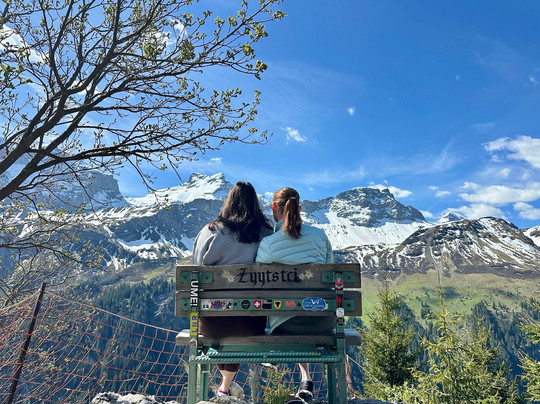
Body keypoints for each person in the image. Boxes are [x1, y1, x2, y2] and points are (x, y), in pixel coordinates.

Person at [192, 181, 273, 400]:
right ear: (255, 204)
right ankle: (225, 387)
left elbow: (195, 271)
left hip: (212, 324)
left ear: (228, 202)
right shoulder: (266, 233)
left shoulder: (210, 231)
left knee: (224, 324)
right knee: (239, 321)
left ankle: (224, 387)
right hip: (251, 323)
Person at [256, 187, 333, 403]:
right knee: (305, 305)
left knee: (290, 310)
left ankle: (300, 374)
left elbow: (258, 284)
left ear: (274, 207)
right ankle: (307, 379)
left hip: (286, 324)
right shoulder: (320, 236)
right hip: (323, 321)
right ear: (299, 208)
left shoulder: (269, 244)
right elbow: (328, 277)